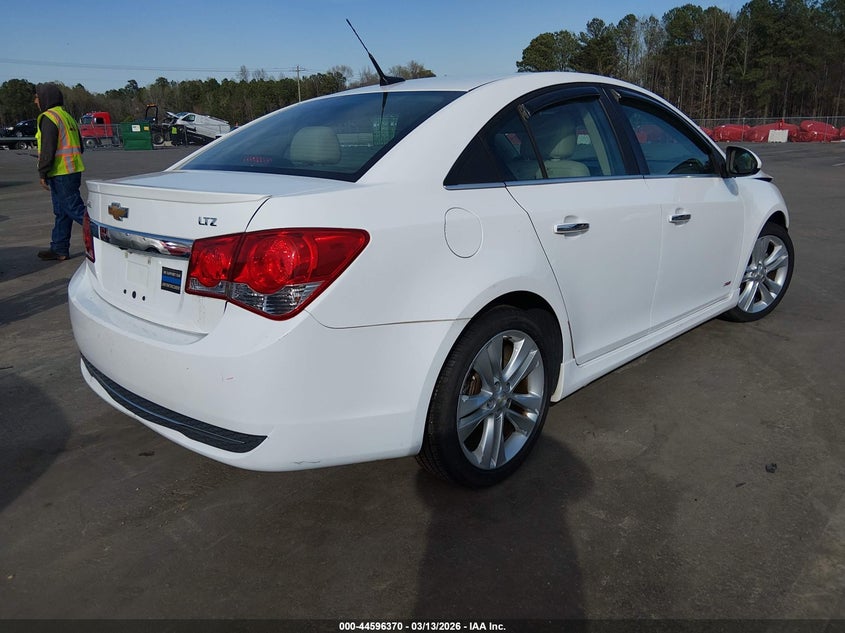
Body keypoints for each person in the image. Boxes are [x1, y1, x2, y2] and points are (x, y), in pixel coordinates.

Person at [34, 82, 86, 261]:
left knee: (75, 210)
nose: (35, 101)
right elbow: (80, 146)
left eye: (37, 97)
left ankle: (105, 237)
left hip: (60, 173)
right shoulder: (67, 116)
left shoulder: (48, 117)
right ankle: (59, 248)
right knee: (62, 212)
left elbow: (48, 149)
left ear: (45, 98)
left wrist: (43, 172)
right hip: (71, 170)